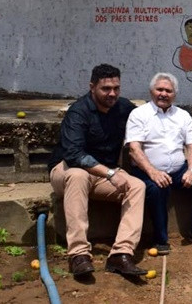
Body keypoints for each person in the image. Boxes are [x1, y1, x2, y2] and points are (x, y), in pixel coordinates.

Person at [48, 64, 147, 277]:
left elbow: (147, 123)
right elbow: (74, 156)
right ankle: (78, 255)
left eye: (116, 88)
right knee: (78, 175)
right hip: (66, 171)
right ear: (92, 87)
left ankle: (121, 254)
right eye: (106, 89)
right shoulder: (78, 112)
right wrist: (112, 174)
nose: (112, 93)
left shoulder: (124, 108)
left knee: (137, 186)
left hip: (103, 175)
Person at [125, 73, 192, 252]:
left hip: (178, 169)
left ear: (174, 94)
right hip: (147, 171)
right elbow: (134, 149)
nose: (163, 94)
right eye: (159, 89)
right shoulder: (138, 114)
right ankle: (160, 239)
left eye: (168, 91)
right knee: (156, 187)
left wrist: (191, 170)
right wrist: (153, 172)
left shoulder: (182, 116)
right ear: (152, 91)